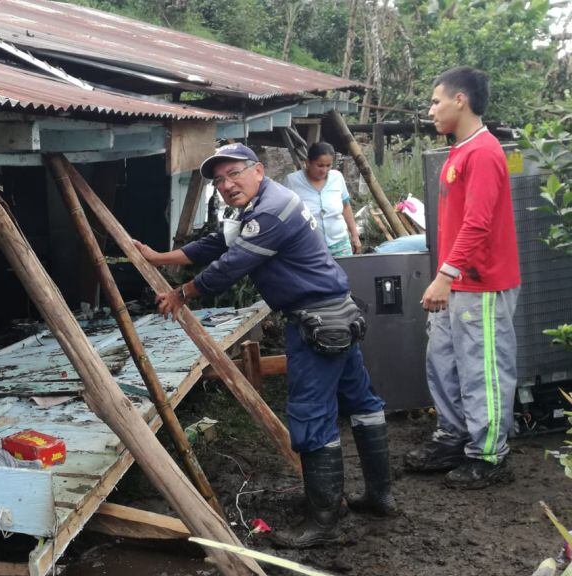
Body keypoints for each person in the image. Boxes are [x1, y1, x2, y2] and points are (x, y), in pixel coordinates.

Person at [133, 143, 395, 548]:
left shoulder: (270, 210)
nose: (226, 184)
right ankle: (380, 497)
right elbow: (218, 243)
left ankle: (323, 521)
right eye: (219, 180)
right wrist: (158, 257)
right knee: (361, 402)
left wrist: (180, 293)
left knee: (311, 415)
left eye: (233, 173)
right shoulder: (257, 207)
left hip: (314, 323)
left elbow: (231, 265)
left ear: (258, 170)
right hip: (337, 314)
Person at [407, 67, 520, 488]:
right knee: (444, 362)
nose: (431, 110)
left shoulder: (485, 152)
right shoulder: (460, 151)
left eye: (436, 101)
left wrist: (445, 276)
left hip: (482, 282)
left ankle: (489, 456)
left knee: (482, 368)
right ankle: (453, 436)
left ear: (461, 100)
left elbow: (477, 223)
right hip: (457, 280)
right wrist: (447, 277)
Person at [284, 142, 362, 256]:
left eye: (328, 165)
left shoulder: (337, 177)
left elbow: (346, 206)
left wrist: (355, 236)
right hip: (308, 247)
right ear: (307, 163)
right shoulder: (292, 182)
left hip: (340, 244)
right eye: (320, 165)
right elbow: (284, 214)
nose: (324, 170)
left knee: (344, 273)